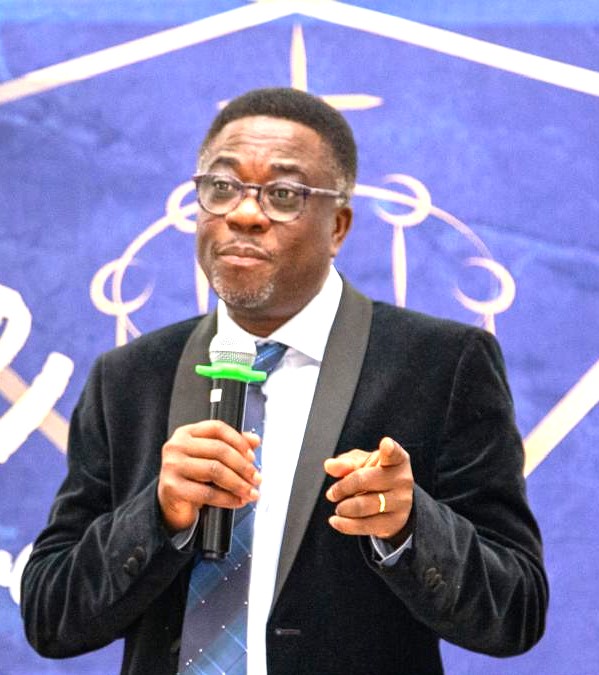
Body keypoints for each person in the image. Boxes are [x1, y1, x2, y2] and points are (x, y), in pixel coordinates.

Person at [21, 87, 548, 675]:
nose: (245, 214)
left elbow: (517, 612)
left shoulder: (442, 365)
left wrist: (410, 527)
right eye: (222, 187)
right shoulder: (128, 378)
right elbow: (50, 618)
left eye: (283, 194)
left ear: (338, 226)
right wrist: (158, 514)